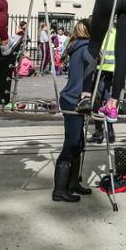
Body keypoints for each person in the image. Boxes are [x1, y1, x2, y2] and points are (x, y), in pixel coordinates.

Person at [52, 20, 96, 203]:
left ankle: (72, 184)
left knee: (78, 143)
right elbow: (92, 69)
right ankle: (60, 189)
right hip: (74, 100)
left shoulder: (77, 46)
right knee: (71, 144)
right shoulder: (86, 48)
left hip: (72, 98)